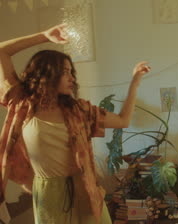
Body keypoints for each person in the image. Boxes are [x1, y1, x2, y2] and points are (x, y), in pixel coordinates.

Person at [0, 24, 151, 223]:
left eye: (72, 72)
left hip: (84, 189)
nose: (72, 78)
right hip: (48, 192)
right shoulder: (22, 103)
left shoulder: (79, 110)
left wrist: (135, 82)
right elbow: (2, 52)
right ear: (47, 73)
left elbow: (123, 120)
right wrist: (44, 35)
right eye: (65, 72)